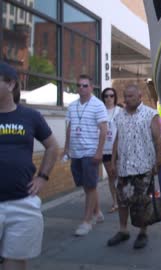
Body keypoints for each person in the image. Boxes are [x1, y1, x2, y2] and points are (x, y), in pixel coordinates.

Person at [0, 62, 59, 270]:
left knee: (15, 262)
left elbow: (53, 147)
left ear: (10, 84)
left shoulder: (30, 116)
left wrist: (43, 177)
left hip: (21, 204)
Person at [107, 85, 161, 249]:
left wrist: (158, 162)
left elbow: (158, 141)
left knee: (141, 202)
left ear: (140, 96)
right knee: (123, 200)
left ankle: (142, 232)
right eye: (125, 96)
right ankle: (123, 230)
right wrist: (112, 161)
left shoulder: (150, 114)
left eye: (130, 95)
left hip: (143, 167)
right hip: (124, 167)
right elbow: (118, 139)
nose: (127, 99)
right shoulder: (120, 116)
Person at [63, 74, 108, 236]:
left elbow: (104, 130)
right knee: (86, 185)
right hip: (76, 151)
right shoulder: (72, 106)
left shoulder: (98, 105)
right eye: (79, 85)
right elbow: (69, 127)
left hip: (90, 151)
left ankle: (87, 221)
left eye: (85, 85)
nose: (81, 88)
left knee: (90, 186)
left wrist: (99, 152)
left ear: (91, 87)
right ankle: (97, 212)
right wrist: (66, 148)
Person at [100, 87, 122, 213]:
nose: (109, 98)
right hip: (105, 149)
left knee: (120, 175)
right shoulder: (100, 111)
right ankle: (115, 202)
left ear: (115, 97)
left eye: (111, 95)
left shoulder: (120, 111)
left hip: (118, 148)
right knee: (111, 176)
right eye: (106, 96)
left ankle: (122, 200)